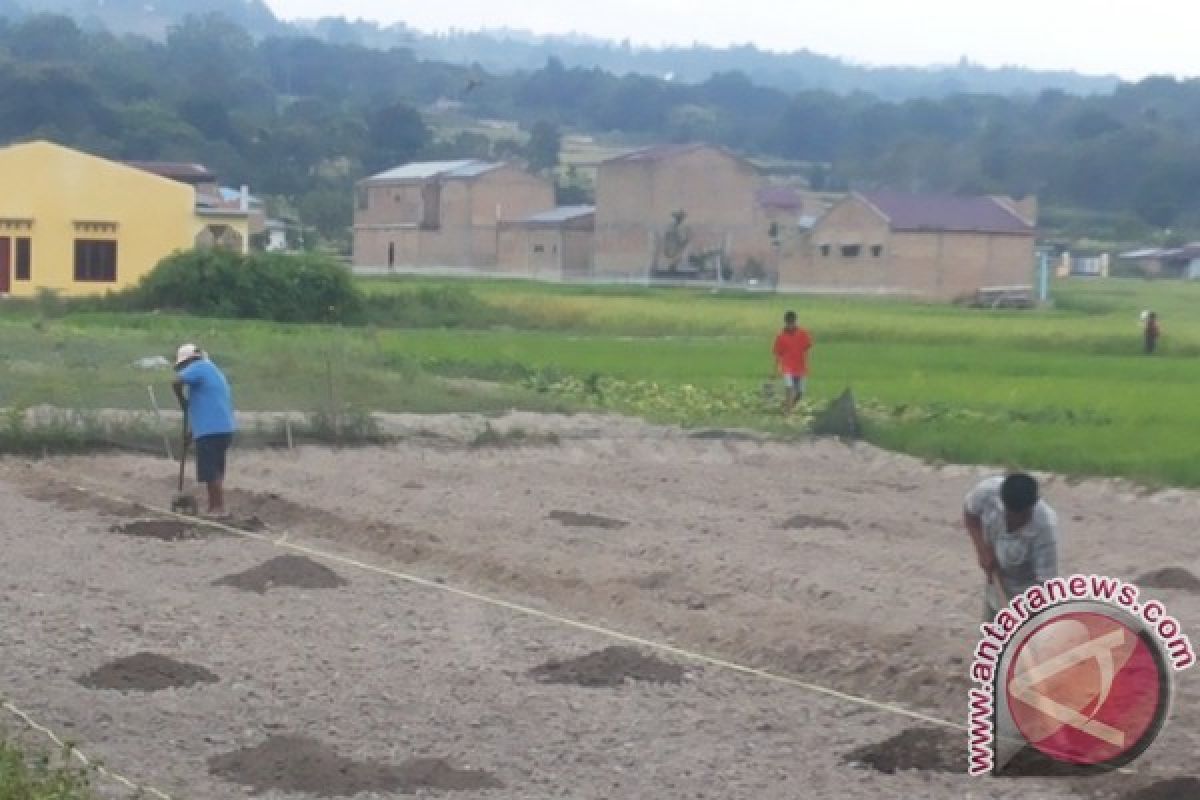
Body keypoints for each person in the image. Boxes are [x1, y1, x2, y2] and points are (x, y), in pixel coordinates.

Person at [963, 473, 1058, 621]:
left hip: (1027, 592)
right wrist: (983, 551)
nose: (1017, 521)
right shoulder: (987, 492)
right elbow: (970, 515)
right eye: (1013, 515)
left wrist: (1026, 620)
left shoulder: (1045, 528)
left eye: (1023, 516)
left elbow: (1045, 584)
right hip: (998, 581)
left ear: (1032, 506)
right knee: (991, 632)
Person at [171, 344, 236, 518]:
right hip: (223, 429)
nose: (184, 370)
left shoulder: (199, 367)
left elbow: (176, 382)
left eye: (184, 366)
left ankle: (217, 508)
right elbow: (207, 407)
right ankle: (216, 507)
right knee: (216, 469)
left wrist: (182, 401)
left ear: (190, 360)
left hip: (210, 431)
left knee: (210, 470)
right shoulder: (213, 371)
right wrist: (192, 433)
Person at [772, 310, 812, 414]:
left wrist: (807, 365)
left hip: (800, 367)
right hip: (787, 367)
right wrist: (775, 370)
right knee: (789, 387)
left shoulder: (803, 333)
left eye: (793, 322)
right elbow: (778, 354)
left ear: (796, 321)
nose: (791, 325)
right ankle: (788, 413)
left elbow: (807, 350)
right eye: (789, 323)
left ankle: (786, 406)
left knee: (799, 393)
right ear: (786, 322)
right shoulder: (781, 336)